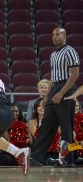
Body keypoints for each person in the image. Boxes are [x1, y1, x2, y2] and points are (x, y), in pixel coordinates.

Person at [30, 27, 79, 167]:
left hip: (67, 89)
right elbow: (53, 77)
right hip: (56, 88)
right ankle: (36, 157)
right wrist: (47, 96)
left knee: (66, 126)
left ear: (64, 36)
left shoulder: (70, 51)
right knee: (46, 125)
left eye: (58, 34)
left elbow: (74, 75)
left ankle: (68, 160)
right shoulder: (53, 54)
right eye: (53, 35)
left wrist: (61, 93)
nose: (54, 37)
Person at [28, 98, 60, 165]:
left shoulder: (55, 121)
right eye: (39, 106)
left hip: (53, 149)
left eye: (44, 106)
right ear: (36, 108)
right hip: (39, 149)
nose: (42, 108)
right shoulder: (32, 122)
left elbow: (59, 135)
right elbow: (37, 137)